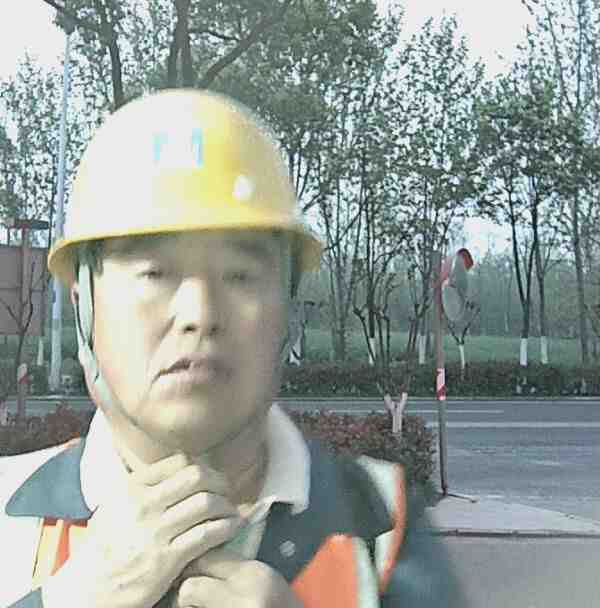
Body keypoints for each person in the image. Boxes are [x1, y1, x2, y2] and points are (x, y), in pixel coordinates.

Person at [0, 89, 465, 608]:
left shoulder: (380, 525)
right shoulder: (9, 514)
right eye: (155, 273)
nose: (200, 313)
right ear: (85, 306)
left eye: (241, 275)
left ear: (286, 307)